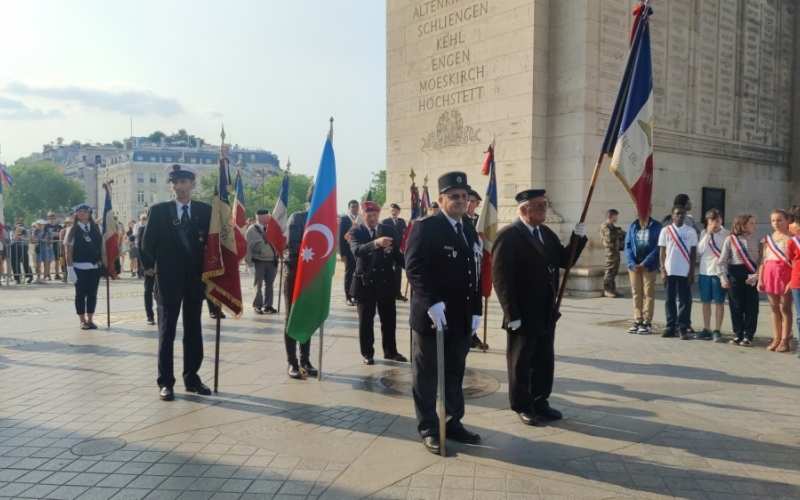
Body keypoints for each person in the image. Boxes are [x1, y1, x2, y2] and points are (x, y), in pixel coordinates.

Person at [492, 189, 587, 426]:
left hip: (546, 310)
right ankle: (523, 404)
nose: (544, 208)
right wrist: (511, 314)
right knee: (521, 362)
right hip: (522, 313)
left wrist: (578, 240)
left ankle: (540, 400)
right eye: (539, 206)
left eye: (545, 204)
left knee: (544, 360)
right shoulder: (508, 236)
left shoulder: (546, 233)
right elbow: (501, 279)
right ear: (524, 210)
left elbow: (564, 261)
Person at [404, 171, 483, 454]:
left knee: (454, 373)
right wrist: (431, 301)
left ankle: (452, 422)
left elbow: (475, 271)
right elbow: (414, 268)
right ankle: (429, 427)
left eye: (465, 197)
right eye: (455, 196)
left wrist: (476, 308)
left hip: (461, 317)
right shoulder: (426, 227)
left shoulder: (468, 228)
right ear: (441, 200)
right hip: (432, 317)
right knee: (426, 376)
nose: (462, 201)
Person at [140, 163, 213, 401]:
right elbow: (146, 245)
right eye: (175, 182)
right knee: (166, 332)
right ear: (171, 185)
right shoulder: (159, 211)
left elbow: (213, 245)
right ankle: (166, 382)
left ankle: (192, 378)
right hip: (168, 280)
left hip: (194, 280)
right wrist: (157, 267)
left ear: (193, 184)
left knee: (193, 332)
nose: (179, 187)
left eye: (184, 182)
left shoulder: (205, 211)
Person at [349, 200, 408, 364]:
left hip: (386, 282)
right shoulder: (356, 231)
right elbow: (357, 251)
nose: (372, 218)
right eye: (368, 215)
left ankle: (391, 351)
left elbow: (396, 253)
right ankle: (367, 353)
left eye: (375, 215)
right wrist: (375, 243)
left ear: (379, 215)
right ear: (363, 215)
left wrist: (410, 268)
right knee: (366, 321)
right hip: (366, 282)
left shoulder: (388, 230)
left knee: (389, 319)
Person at [283, 185, 319, 379]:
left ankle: (305, 360)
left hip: (313, 276)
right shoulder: (298, 218)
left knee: (307, 316)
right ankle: (292, 363)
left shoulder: (325, 222)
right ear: (310, 200)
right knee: (292, 316)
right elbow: (293, 247)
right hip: (295, 273)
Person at [718, 214, 762, 346]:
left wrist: (757, 275)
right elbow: (723, 261)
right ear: (742, 224)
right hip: (735, 275)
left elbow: (761, 261)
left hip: (751, 275)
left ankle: (748, 335)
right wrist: (723, 278)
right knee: (736, 306)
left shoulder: (757, 240)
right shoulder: (730, 239)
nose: (754, 226)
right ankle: (738, 333)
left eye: (754, 223)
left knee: (751, 306)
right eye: (751, 223)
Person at [658, 206, 698, 340]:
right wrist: (663, 269)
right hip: (670, 271)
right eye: (677, 214)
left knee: (685, 301)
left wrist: (692, 272)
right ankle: (670, 326)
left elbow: (693, 254)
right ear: (672, 216)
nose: (680, 216)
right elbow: (662, 252)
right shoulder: (665, 231)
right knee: (669, 299)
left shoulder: (691, 231)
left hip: (684, 271)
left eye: (682, 214)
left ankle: (682, 327)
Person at [758, 209, 793, 352]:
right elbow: (763, 261)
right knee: (774, 307)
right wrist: (760, 279)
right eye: (773, 220)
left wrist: (792, 281)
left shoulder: (792, 239)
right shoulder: (767, 239)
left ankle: (785, 340)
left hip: (785, 273)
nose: (776, 223)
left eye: (779, 220)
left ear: (787, 221)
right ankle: (776, 338)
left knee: (785, 307)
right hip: (770, 273)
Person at [624, 206, 662, 335]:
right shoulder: (633, 226)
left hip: (648, 266)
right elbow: (628, 245)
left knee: (648, 293)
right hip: (634, 266)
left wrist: (645, 263)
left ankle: (647, 322)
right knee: (636, 292)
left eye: (645, 209)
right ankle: (638, 320)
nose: (641, 212)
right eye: (639, 209)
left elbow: (657, 247)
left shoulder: (656, 226)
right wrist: (633, 263)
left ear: (650, 210)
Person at [65, 205, 103, 330]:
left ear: (90, 214)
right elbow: (68, 252)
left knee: (92, 294)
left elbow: (104, 247)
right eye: (79, 211)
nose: (82, 213)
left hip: (95, 267)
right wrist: (70, 269)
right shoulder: (72, 230)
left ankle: (91, 319)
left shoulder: (98, 228)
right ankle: (82, 320)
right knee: (80, 294)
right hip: (79, 267)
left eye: (85, 211)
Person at [695, 209, 729, 342]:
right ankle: (706, 328)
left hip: (718, 272)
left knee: (719, 301)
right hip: (705, 271)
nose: (715, 223)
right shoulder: (704, 233)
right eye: (712, 220)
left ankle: (717, 329)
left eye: (717, 220)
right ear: (707, 221)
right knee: (705, 301)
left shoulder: (727, 234)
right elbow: (699, 251)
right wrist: (708, 234)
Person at [247, 208, 280, 315]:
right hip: (259, 261)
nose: (269, 218)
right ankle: (258, 305)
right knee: (259, 284)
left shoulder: (271, 228)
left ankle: (268, 305)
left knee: (270, 284)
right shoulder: (251, 230)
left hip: (272, 260)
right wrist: (250, 264)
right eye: (267, 216)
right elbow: (247, 248)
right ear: (261, 218)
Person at [382, 203, 407, 301]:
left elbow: (404, 235)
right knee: (388, 271)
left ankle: (397, 293)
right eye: (392, 210)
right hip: (389, 250)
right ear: (389, 211)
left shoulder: (401, 221)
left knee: (398, 272)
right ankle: (388, 292)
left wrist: (403, 246)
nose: (394, 212)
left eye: (396, 211)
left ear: (399, 212)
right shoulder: (385, 221)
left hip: (399, 250)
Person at [599, 209, 626, 298]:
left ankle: (612, 288)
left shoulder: (612, 227)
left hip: (615, 250)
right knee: (610, 269)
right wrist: (618, 233)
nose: (617, 218)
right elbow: (609, 238)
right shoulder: (605, 227)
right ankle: (607, 289)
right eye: (615, 216)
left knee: (615, 269)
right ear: (611, 216)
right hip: (610, 251)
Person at [338, 200, 360, 306]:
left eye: (356, 206)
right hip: (348, 252)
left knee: (357, 274)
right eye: (353, 207)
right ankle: (348, 297)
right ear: (349, 208)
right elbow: (341, 238)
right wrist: (342, 254)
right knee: (349, 274)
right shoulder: (344, 219)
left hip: (358, 251)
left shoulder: (360, 219)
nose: (355, 208)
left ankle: (355, 295)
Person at [136, 214, 156, 325]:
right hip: (150, 267)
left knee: (162, 292)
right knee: (149, 291)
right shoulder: (143, 229)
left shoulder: (165, 228)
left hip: (162, 266)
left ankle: (161, 314)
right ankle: (150, 316)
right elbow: (140, 249)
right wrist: (146, 267)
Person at [31, 219, 54, 284]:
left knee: (46, 264)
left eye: (41, 224)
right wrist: (42, 240)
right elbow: (32, 238)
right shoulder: (35, 231)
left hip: (47, 249)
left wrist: (39, 240)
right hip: (39, 249)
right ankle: (38, 277)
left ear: (44, 225)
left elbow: (50, 240)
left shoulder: (48, 232)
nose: (39, 226)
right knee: (38, 265)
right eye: (38, 224)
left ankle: (44, 278)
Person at [45, 212, 63, 281]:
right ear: (48, 219)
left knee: (57, 260)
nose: (52, 220)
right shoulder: (46, 226)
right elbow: (45, 234)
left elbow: (61, 234)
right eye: (51, 218)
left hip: (56, 244)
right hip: (48, 245)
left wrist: (53, 234)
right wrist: (54, 234)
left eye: (53, 218)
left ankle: (57, 274)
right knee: (48, 260)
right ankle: (48, 274)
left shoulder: (59, 226)